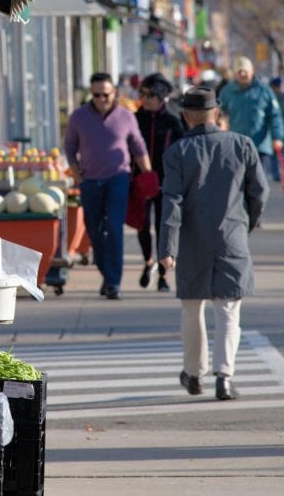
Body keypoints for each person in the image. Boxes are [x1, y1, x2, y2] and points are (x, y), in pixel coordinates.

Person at [158, 87, 268, 401]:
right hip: (232, 235)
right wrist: (246, 223)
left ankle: (194, 374)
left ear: (185, 116)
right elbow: (259, 193)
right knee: (229, 310)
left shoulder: (177, 152)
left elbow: (172, 202)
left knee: (192, 308)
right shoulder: (242, 145)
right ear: (217, 113)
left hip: (192, 240)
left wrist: (167, 248)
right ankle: (225, 376)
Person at [64, 72, 152, 300]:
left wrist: (148, 175)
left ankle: (113, 282)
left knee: (114, 229)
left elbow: (139, 147)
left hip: (118, 179)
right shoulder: (78, 117)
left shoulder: (126, 116)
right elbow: (70, 148)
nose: (101, 99)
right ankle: (107, 274)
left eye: (105, 94)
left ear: (114, 93)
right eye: (96, 95)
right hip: (90, 181)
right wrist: (76, 175)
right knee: (94, 230)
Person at [134, 74, 185, 291]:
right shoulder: (136, 119)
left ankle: (163, 275)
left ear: (162, 97)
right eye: (142, 94)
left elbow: (184, 149)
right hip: (141, 181)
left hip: (166, 182)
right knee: (142, 224)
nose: (145, 99)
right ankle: (148, 261)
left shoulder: (173, 120)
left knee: (162, 227)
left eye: (150, 95)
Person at [218, 56, 284, 176]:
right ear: (235, 73)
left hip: (260, 146)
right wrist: (220, 124)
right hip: (236, 146)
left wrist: (277, 137)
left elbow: (275, 115)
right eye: (239, 71)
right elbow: (218, 113)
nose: (243, 74)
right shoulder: (227, 91)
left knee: (259, 184)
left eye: (245, 71)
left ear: (252, 71)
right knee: (238, 184)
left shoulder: (264, 91)